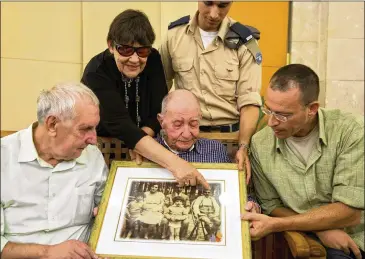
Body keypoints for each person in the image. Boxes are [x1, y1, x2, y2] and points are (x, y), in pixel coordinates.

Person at [241, 64, 364, 259]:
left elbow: (350, 212)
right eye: (268, 110)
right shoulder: (260, 143)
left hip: (355, 237)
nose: (272, 122)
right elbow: (271, 205)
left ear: (312, 109)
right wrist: (320, 230)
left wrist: (278, 224)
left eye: (283, 114)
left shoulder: (350, 132)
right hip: (311, 239)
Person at [81, 9, 209, 189]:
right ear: (111, 45)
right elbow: (119, 124)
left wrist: (143, 136)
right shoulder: (96, 73)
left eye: (142, 51)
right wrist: (176, 164)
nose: (134, 59)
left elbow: (159, 106)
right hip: (102, 150)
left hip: (146, 149)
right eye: (125, 50)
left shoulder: (154, 58)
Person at [1, 82, 108, 259]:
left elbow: (106, 205)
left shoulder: (92, 156)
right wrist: (48, 253)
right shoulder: (4, 157)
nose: (93, 140)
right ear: (52, 124)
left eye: (95, 127)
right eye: (85, 129)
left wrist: (108, 211)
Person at [159, 1, 263, 183]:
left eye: (223, 6)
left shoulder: (245, 42)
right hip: (184, 139)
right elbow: (160, 91)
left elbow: (250, 102)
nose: (214, 14)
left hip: (231, 140)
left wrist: (243, 146)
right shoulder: (174, 36)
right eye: (208, 3)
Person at [156, 89, 261, 240]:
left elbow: (240, 195)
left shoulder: (215, 150)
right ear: (161, 121)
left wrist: (252, 206)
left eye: (193, 124)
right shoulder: (148, 152)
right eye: (177, 124)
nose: (186, 134)